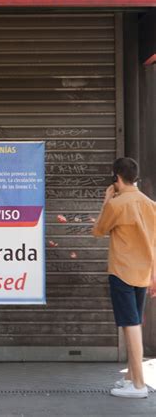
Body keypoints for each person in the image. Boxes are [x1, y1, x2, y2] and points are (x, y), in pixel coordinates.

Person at [93, 157, 156, 399]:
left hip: (122, 272)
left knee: (130, 326)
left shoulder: (117, 205)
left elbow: (98, 230)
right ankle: (131, 375)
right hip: (143, 273)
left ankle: (139, 384)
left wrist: (107, 200)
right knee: (135, 323)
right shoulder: (150, 204)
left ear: (116, 178)